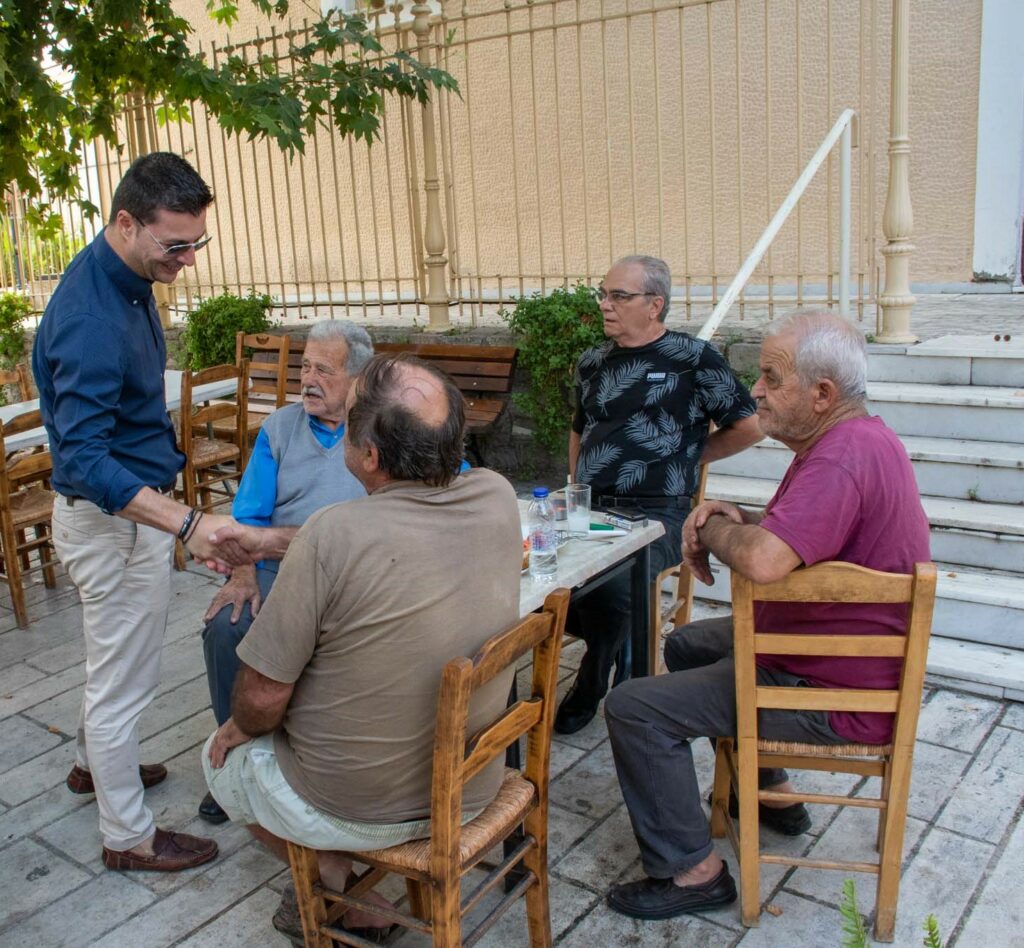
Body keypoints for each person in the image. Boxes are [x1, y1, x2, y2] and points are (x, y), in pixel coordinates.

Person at [602, 309, 931, 920]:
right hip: (838, 652)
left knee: (633, 708)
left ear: (822, 393)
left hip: (836, 690)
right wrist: (742, 522)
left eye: (771, 377)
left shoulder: (838, 457)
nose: (754, 389)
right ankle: (774, 795)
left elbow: (766, 562)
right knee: (688, 644)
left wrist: (717, 528)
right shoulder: (854, 440)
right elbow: (797, 537)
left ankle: (694, 873)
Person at [201, 353, 522, 941]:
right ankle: (347, 881)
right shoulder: (498, 495)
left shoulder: (333, 533)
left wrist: (240, 728)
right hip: (473, 784)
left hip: (362, 807)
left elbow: (263, 698)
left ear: (369, 456)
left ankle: (352, 895)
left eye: (348, 420)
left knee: (222, 758)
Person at [32, 152, 247, 872]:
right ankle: (127, 836)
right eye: (174, 245)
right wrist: (188, 523)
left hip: (127, 517)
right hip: (113, 522)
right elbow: (84, 462)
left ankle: (97, 767)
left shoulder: (123, 279)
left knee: (112, 662)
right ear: (126, 223)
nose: (187, 261)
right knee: (126, 680)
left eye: (197, 244)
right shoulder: (92, 316)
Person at [555, 255, 762, 734]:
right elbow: (579, 429)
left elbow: (749, 425)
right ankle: (620, 657)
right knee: (547, 578)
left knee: (615, 583)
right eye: (603, 295)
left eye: (618, 296)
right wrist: (576, 485)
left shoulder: (693, 359)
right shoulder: (592, 363)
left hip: (660, 515)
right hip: (593, 508)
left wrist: (689, 455)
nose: (605, 305)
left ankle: (595, 681)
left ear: (655, 305)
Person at [196, 319, 373, 826]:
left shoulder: (382, 427)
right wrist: (242, 574)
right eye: (303, 367)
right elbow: (248, 517)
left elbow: (446, 483)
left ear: (357, 378)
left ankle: (315, 764)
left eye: (323, 369)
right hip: (278, 570)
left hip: (353, 576)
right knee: (227, 627)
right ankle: (233, 758)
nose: (307, 380)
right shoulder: (280, 428)